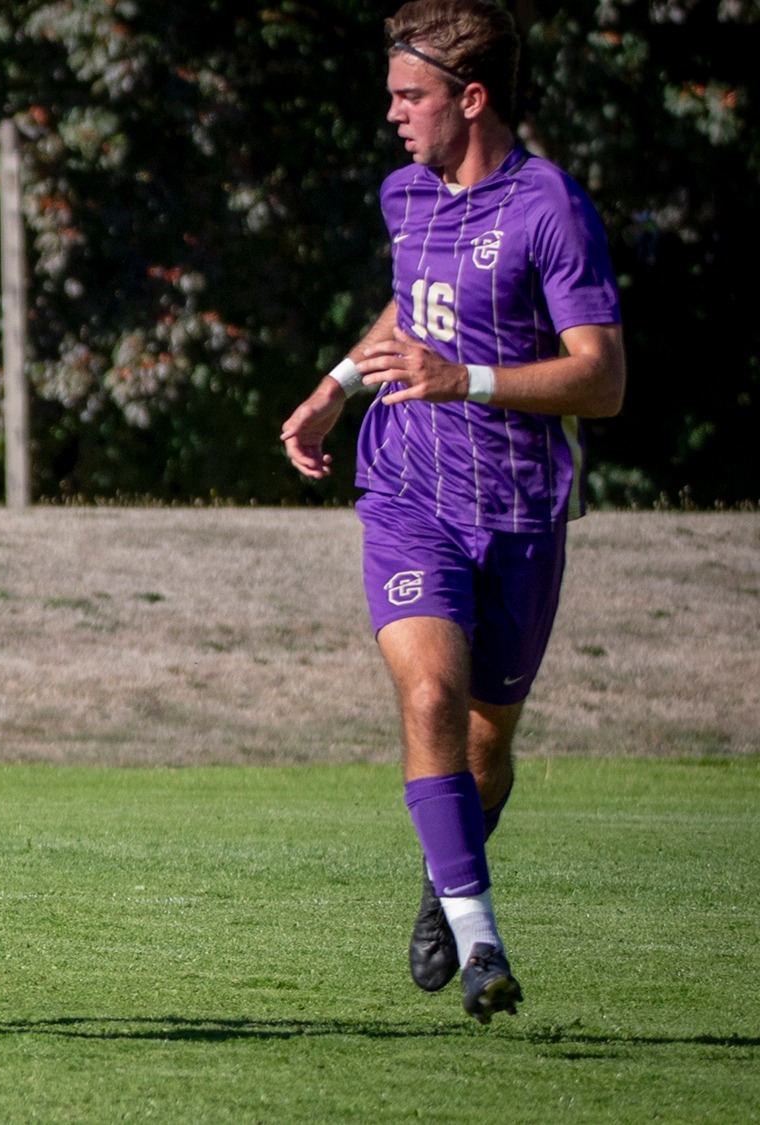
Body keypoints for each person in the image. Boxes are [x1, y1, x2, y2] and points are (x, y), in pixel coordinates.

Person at [279, 0, 624, 1023]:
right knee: (428, 699)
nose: (390, 115)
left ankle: (446, 876)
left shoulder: (549, 210)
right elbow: (408, 300)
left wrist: (464, 378)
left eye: (407, 96)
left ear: (468, 100)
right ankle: (481, 942)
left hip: (517, 507)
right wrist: (336, 386)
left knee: (481, 744)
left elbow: (600, 381)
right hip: (407, 489)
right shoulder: (405, 194)